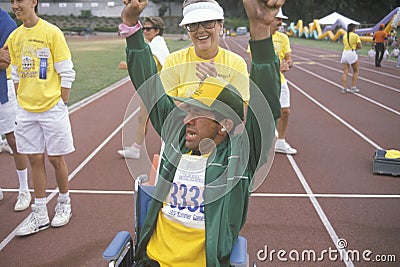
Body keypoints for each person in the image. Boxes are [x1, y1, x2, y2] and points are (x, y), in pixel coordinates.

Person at [120, 0, 283, 266]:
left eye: (198, 113)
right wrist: (130, 23)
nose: (187, 119)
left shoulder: (239, 159)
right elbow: (149, 87)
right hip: (152, 261)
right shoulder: (178, 141)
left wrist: (260, 31)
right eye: (187, 111)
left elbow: (265, 105)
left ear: (224, 125)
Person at [7, 0, 76, 236]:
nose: (15, 5)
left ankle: (64, 204)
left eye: (19, 0)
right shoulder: (15, 37)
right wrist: (20, 95)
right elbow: (15, 70)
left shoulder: (51, 32)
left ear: (33, 2)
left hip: (51, 108)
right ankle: (39, 213)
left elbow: (67, 70)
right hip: (26, 109)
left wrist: (61, 101)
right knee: (35, 158)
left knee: (56, 159)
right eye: (13, 1)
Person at [118, 16, 170, 159]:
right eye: (143, 29)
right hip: (153, 88)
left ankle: (169, 148)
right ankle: (136, 147)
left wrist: (126, 66)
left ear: (157, 30)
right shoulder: (157, 44)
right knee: (143, 118)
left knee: (161, 120)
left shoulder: (156, 45)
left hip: (158, 89)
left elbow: (148, 66)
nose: (145, 31)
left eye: (148, 29)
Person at [0, 7, 31, 211]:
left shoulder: (6, 23)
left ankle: (24, 190)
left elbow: (5, 61)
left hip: (4, 88)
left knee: (13, 139)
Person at [341, 23, 362, 94]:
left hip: (344, 53)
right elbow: (360, 46)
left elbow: (344, 44)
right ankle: (353, 87)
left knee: (345, 72)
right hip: (352, 52)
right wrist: (355, 47)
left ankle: (343, 88)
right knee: (355, 71)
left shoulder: (344, 36)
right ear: (353, 28)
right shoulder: (355, 36)